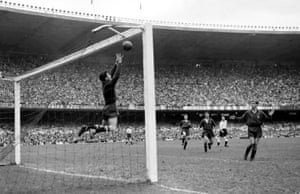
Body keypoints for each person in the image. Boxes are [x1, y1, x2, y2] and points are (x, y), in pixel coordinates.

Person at [76, 53, 123, 140]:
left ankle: (87, 128)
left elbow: (112, 75)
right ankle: (93, 131)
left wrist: (116, 64)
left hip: (106, 108)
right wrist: (120, 63)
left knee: (102, 126)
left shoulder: (105, 84)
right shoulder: (109, 85)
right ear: (106, 78)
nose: (109, 75)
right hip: (111, 108)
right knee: (113, 128)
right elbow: (116, 76)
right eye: (108, 75)